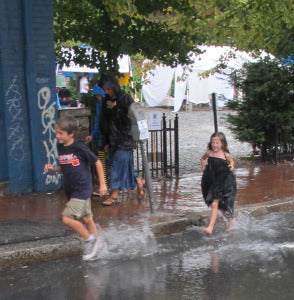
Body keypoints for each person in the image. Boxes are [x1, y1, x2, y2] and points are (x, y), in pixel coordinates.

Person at [44, 115, 107, 260]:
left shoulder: (80, 148)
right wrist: (53, 169)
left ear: (71, 133)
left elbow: (97, 162)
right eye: (56, 132)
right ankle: (98, 246)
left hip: (82, 188)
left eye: (60, 133)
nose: (57, 135)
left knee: (66, 218)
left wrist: (103, 184)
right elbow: (66, 166)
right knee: (86, 218)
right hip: (72, 190)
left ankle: (90, 240)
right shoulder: (61, 147)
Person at [100, 76, 145, 206]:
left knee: (117, 168)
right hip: (113, 141)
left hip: (124, 141)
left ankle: (114, 196)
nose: (107, 92)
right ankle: (138, 182)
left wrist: (115, 108)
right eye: (105, 89)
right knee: (125, 169)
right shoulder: (106, 101)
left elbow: (129, 120)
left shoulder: (125, 99)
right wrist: (106, 142)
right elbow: (105, 123)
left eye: (108, 89)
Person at [200, 132, 236, 234]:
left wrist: (232, 166)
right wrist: (203, 166)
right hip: (213, 181)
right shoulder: (209, 152)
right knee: (220, 205)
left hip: (224, 182)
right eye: (213, 143)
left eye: (217, 143)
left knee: (214, 203)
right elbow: (202, 159)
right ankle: (231, 220)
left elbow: (231, 161)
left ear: (222, 144)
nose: (215, 145)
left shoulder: (225, 154)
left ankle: (210, 227)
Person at [85, 84, 108, 191]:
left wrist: (93, 135)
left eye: (96, 95)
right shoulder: (108, 103)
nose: (96, 97)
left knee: (102, 161)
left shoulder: (100, 105)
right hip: (108, 138)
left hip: (103, 139)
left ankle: (104, 187)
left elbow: (98, 122)